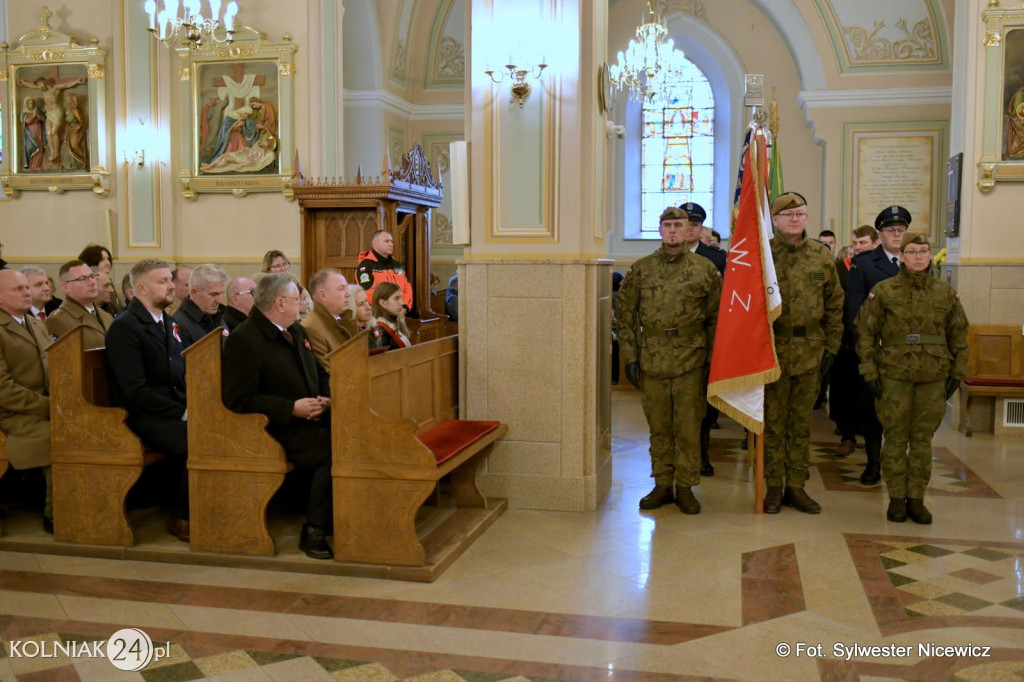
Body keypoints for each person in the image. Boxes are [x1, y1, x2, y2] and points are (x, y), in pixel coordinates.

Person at [855, 232, 969, 524]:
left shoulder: (945, 292)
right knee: (893, 439)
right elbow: (865, 334)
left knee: (921, 441)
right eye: (912, 251)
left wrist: (958, 373)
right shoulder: (883, 291)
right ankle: (895, 498)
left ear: (930, 255)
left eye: (923, 251)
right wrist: (869, 372)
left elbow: (958, 335)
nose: (918, 256)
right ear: (902, 257)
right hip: (893, 376)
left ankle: (916, 498)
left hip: (933, 377)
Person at [616, 206, 721, 514]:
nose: (674, 231)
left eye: (680, 225)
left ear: (692, 230)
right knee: (659, 426)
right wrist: (630, 356)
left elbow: (716, 318)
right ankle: (662, 484)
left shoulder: (704, 269)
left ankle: (686, 486)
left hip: (692, 359)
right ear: (660, 230)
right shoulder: (642, 269)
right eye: (668, 225)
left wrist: (713, 360)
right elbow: (624, 315)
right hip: (652, 359)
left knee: (688, 426)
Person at [222, 273, 334, 559]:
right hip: (273, 426)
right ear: (280, 302)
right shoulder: (245, 339)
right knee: (331, 451)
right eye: (298, 299)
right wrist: (290, 408)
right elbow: (238, 399)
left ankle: (339, 515)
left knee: (353, 435)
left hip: (310, 416)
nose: (303, 305)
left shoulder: (296, 331)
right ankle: (314, 531)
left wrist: (325, 399)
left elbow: (320, 373)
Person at [763, 192, 843, 515]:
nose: (795, 219)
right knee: (774, 423)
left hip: (811, 351)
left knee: (800, 424)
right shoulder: (763, 255)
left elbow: (835, 304)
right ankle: (772, 487)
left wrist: (831, 347)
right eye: (788, 215)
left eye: (801, 214)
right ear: (776, 220)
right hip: (773, 351)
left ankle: (796, 486)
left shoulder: (821, 256)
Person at [104, 259, 190, 542]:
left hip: (168, 409)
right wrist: (182, 411)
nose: (171, 286)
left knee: (216, 429)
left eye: (170, 280)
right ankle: (181, 514)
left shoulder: (168, 321)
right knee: (200, 439)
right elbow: (135, 390)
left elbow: (179, 372)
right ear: (140, 288)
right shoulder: (125, 327)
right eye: (162, 281)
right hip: (141, 416)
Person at [845, 206, 908, 485]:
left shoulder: (915, 259)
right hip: (879, 348)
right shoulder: (866, 263)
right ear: (879, 235)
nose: (897, 234)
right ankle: (873, 463)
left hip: (908, 350)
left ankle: (899, 463)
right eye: (891, 230)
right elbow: (854, 308)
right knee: (873, 410)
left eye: (901, 230)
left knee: (903, 410)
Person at [0, 269, 54, 533]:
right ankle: (57, 513)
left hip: (45, 405)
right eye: (18, 289)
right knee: (62, 438)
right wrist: (48, 406)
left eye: (26, 287)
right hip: (13, 413)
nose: (27, 293)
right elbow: (3, 390)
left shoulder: (33, 322)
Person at [678, 201, 724, 477]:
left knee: (704, 405)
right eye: (686, 223)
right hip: (675, 343)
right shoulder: (665, 255)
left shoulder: (717, 258)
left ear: (700, 227)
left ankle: (703, 455)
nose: (690, 228)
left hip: (706, 341)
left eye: (695, 224)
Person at [830, 225, 879, 457]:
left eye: (863, 243)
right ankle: (847, 435)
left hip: (871, 340)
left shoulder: (880, 267)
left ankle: (870, 436)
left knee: (868, 392)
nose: (858, 248)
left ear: (875, 244)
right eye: (855, 243)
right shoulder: (840, 268)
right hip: (845, 338)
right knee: (845, 389)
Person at [17, 75, 87, 163]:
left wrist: (77, 81)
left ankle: (56, 153)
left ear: (44, 82)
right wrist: (24, 83)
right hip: (49, 113)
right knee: (48, 132)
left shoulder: (55, 88)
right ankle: (52, 151)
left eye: (40, 85)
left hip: (57, 112)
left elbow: (66, 85)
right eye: (38, 86)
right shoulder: (43, 90)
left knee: (54, 132)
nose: (39, 87)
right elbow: (33, 86)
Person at [46, 260, 113, 349]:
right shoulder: (58, 320)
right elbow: (61, 358)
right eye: (82, 279)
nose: (92, 282)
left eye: (92, 276)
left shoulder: (106, 316)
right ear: (66, 287)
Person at [301, 268, 358, 370]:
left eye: (347, 288)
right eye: (341, 289)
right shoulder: (311, 328)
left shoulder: (344, 319)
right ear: (322, 295)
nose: (348, 294)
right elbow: (330, 375)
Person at [172, 263, 228, 349]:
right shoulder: (179, 325)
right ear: (194, 293)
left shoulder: (216, 317)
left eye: (221, 294)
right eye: (213, 294)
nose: (220, 301)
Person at [356, 230, 413, 311]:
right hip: (379, 315)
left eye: (391, 241)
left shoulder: (397, 265)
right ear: (375, 244)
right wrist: (389, 309)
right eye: (387, 241)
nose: (391, 244)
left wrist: (404, 307)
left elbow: (407, 288)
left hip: (400, 313)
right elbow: (368, 293)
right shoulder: (366, 266)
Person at [260, 251, 313, 318]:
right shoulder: (266, 289)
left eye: (285, 264)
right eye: (277, 266)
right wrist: (297, 309)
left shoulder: (295, 283)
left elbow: (310, 306)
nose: (282, 269)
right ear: (267, 270)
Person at [78, 244, 122, 315]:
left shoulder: (110, 282)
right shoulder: (83, 284)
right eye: (102, 259)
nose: (108, 263)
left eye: (108, 259)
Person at [370, 282, 412, 351]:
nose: (402, 303)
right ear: (383, 303)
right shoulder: (379, 329)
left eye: (401, 298)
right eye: (396, 298)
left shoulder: (394, 320)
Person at [21, 97, 46, 171]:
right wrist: (34, 116)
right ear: (26, 104)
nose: (31, 105)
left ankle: (38, 165)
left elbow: (43, 119)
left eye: (32, 103)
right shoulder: (24, 113)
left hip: (38, 132)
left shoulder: (38, 111)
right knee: (30, 148)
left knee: (39, 148)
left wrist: (37, 115)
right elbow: (27, 122)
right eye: (29, 103)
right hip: (30, 134)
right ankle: (31, 165)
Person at [64, 92, 88, 170]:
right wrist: (69, 128)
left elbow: (81, 122)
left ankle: (81, 163)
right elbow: (66, 122)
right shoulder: (69, 110)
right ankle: (74, 164)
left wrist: (75, 128)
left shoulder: (76, 109)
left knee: (75, 146)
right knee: (71, 147)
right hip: (71, 131)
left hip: (77, 131)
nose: (68, 101)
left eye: (69, 99)